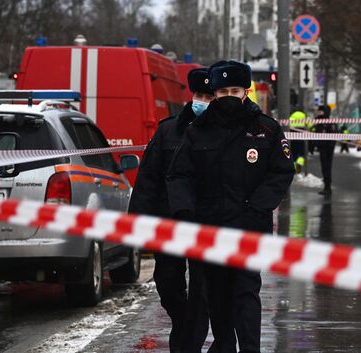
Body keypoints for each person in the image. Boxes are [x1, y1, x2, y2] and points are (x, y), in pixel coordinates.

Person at [166, 60, 295, 353]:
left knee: (246, 293)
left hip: (250, 227)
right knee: (217, 295)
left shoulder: (265, 129)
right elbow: (179, 175)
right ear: (215, 92)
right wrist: (185, 211)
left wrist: (257, 207)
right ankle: (224, 344)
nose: (228, 96)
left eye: (234, 90)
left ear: (245, 91)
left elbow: (281, 171)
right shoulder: (197, 131)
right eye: (222, 91)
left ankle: (250, 349)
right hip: (209, 228)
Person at [128, 68, 214, 353]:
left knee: (202, 290)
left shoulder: (223, 133)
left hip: (205, 225)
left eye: (209, 97)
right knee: (167, 283)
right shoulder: (169, 130)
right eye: (200, 96)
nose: (204, 101)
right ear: (192, 96)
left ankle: (187, 344)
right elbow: (148, 179)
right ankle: (184, 322)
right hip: (169, 223)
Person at [314, 105, 337, 195]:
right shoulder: (319, 121)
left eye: (321, 111)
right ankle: (326, 187)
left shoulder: (329, 122)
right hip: (322, 147)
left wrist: (329, 146)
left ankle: (328, 187)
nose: (319, 113)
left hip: (327, 148)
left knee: (327, 168)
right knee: (324, 168)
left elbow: (334, 135)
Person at [289, 108, 308, 174]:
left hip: (293, 138)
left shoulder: (292, 116)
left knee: (293, 152)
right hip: (302, 138)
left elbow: (288, 125)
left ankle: (294, 167)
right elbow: (310, 125)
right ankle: (299, 164)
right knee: (301, 152)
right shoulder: (304, 116)